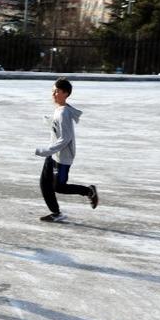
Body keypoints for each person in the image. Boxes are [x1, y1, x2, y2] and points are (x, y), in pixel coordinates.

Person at [35, 78, 98, 222]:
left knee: (59, 186)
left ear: (65, 93)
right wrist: (50, 122)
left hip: (62, 157)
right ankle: (56, 213)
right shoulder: (59, 110)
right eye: (53, 91)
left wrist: (45, 151)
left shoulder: (64, 113)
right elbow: (60, 129)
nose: (53, 94)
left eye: (57, 91)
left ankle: (88, 191)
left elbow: (66, 138)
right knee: (45, 184)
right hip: (53, 154)